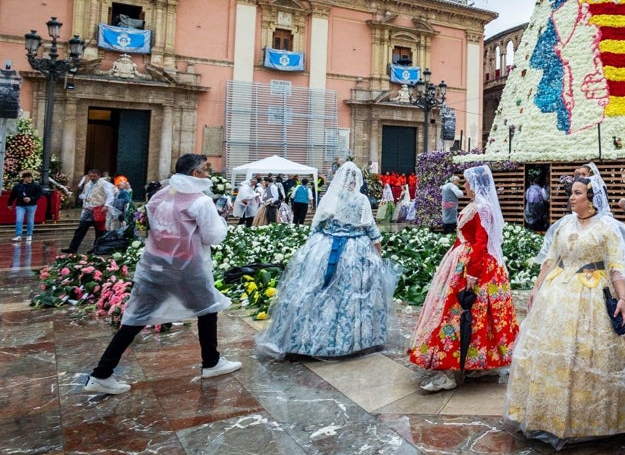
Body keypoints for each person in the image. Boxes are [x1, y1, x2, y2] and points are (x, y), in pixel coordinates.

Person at [505, 172, 625, 448]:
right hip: (557, 292)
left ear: (591, 198)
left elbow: (616, 266)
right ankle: (546, 414)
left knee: (587, 353)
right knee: (554, 350)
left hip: (593, 294)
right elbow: (550, 260)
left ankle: (591, 420)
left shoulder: (607, 228)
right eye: (571, 194)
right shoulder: (563, 225)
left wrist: (622, 298)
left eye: (577, 193)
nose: (571, 198)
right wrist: (537, 288)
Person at [83, 154, 241, 394]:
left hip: (155, 265)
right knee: (207, 310)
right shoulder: (201, 201)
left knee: (135, 318)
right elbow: (213, 236)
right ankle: (211, 362)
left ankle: (102, 373)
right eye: (205, 169)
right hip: (187, 267)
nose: (209, 173)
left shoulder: (160, 195)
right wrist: (222, 220)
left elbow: (146, 227)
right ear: (195, 173)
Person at [258, 160, 397, 359]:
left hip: (324, 246)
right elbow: (371, 230)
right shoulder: (361, 200)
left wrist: (311, 251)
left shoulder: (330, 198)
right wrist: (378, 254)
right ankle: (354, 341)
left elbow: (316, 226)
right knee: (352, 295)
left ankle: (304, 339)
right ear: (356, 180)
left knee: (314, 290)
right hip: (355, 249)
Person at [409, 164, 518, 391]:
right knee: (468, 313)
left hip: (474, 266)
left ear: (476, 185)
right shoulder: (475, 206)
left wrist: (472, 273)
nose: (465, 186)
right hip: (461, 260)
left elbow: (481, 242)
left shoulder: (483, 208)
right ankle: (470, 364)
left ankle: (452, 368)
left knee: (459, 313)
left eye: (467, 183)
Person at [67, 169, 115, 254]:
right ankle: (72, 248)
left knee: (99, 231)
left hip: (99, 209)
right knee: (81, 228)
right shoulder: (88, 184)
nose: (92, 178)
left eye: (94, 176)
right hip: (88, 209)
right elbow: (86, 194)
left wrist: (106, 205)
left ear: (99, 175)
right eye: (90, 176)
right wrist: (84, 203)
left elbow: (110, 195)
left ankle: (97, 248)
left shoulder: (104, 184)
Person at [7, 170, 42, 243]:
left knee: (30, 220)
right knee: (19, 219)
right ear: (24, 178)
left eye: (30, 177)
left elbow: (39, 195)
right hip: (20, 205)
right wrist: (9, 204)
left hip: (32, 205)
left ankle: (29, 235)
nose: (30, 179)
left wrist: (31, 199)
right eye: (28, 178)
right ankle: (18, 235)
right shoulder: (17, 186)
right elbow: (13, 195)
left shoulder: (35, 185)